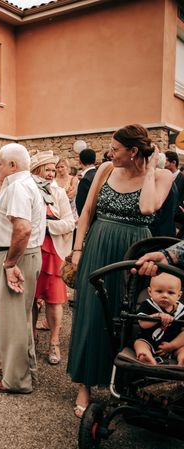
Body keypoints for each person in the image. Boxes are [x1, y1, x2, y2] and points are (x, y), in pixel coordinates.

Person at [68, 124, 172, 418]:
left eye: (115, 149)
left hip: (136, 250)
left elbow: (149, 208)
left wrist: (149, 171)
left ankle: (124, 384)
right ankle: (85, 385)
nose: (110, 153)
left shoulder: (162, 176)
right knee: (92, 312)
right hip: (99, 245)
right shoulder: (104, 170)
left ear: (134, 151)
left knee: (128, 316)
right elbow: (87, 212)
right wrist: (78, 250)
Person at [0, 144, 45, 394]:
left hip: (13, 256)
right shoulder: (23, 184)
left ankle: (16, 380)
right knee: (19, 317)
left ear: (12, 165)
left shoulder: (18, 187)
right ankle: (23, 371)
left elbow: (23, 229)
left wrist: (9, 263)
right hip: (19, 255)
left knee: (12, 320)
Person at [29, 151, 75, 365]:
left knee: (53, 299)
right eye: (46, 170)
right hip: (31, 249)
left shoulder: (59, 192)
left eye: (52, 170)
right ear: (36, 170)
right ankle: (31, 338)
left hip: (53, 250)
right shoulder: (27, 190)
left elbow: (69, 223)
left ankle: (54, 342)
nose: (50, 174)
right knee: (29, 298)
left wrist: (45, 225)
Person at [133, 273, 184, 366]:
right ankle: (145, 356)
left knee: (183, 348)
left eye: (170, 293)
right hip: (149, 341)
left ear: (179, 295)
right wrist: (157, 316)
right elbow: (142, 323)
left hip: (173, 345)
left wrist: (172, 345)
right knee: (139, 343)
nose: (165, 295)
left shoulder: (182, 311)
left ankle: (182, 360)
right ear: (150, 291)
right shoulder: (147, 305)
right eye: (159, 291)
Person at [75, 148, 97, 215]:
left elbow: (80, 206)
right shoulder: (101, 174)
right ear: (95, 160)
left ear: (79, 161)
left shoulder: (85, 180)